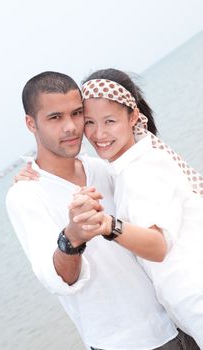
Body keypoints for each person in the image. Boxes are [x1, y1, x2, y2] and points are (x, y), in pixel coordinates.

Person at [6, 71, 198, 350]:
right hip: (126, 343)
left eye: (76, 113)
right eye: (55, 118)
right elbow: (58, 280)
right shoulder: (25, 195)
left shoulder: (103, 168)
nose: (71, 127)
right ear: (30, 123)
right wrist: (71, 239)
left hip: (179, 321)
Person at [71, 68, 203, 347]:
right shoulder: (134, 161)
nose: (99, 133)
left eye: (109, 121)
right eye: (90, 123)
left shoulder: (141, 170)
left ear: (132, 116)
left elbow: (157, 246)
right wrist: (34, 171)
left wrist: (108, 225)